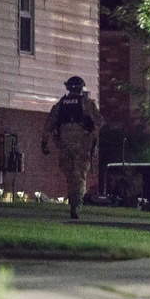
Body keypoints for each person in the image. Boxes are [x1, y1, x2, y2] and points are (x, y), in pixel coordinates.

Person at [41, 76, 104, 219]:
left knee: (70, 176)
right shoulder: (86, 103)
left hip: (64, 145)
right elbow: (99, 121)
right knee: (79, 175)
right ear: (81, 88)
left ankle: (73, 202)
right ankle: (76, 204)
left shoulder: (60, 105)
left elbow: (48, 126)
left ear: (68, 88)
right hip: (82, 145)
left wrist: (44, 143)